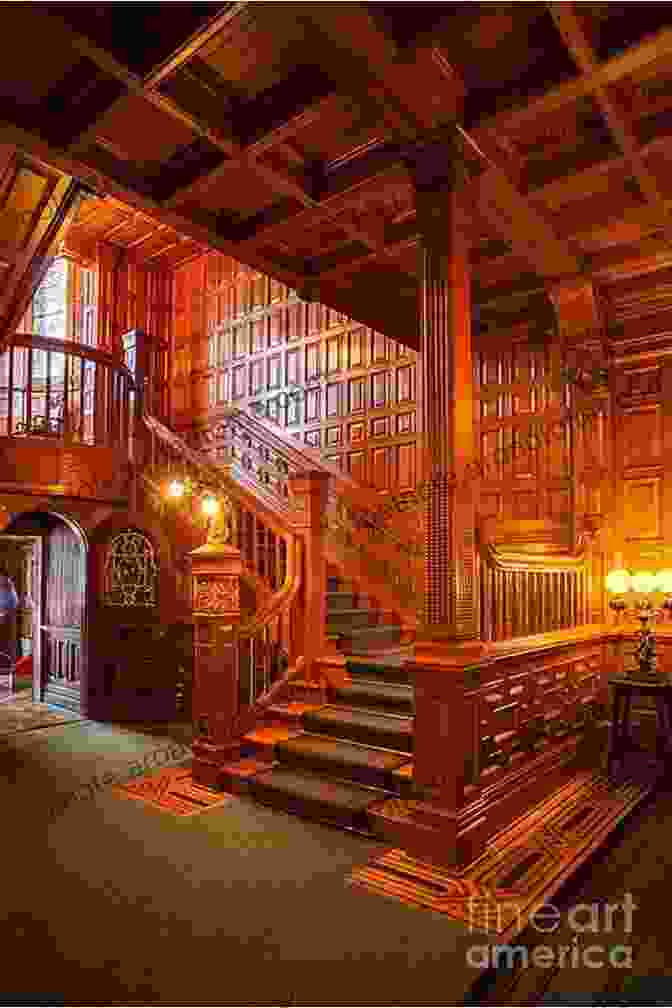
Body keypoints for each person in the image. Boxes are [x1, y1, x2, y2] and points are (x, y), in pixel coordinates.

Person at [0, 568, 19, 663]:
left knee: (7, 644)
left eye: (2, 578)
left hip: (8, 620)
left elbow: (15, 603)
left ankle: (9, 662)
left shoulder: (10, 588)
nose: (1, 580)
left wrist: (5, 612)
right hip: (2, 617)